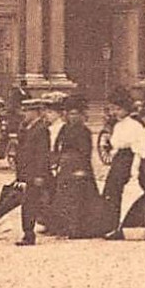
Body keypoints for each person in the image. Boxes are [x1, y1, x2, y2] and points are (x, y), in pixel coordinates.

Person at [102, 101, 145, 240]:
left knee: (135, 193)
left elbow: (138, 148)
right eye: (114, 109)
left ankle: (143, 222)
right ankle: (113, 226)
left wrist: (135, 169)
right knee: (112, 192)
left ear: (126, 109)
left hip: (132, 160)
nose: (116, 112)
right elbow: (117, 145)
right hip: (120, 160)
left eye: (119, 109)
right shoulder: (118, 126)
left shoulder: (135, 126)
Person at [50, 99, 105, 238]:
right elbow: (57, 145)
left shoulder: (85, 131)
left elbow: (86, 151)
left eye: (76, 114)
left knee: (79, 199)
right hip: (65, 165)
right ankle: (63, 228)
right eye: (70, 114)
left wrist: (83, 169)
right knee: (63, 197)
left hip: (79, 165)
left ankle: (79, 229)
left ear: (82, 115)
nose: (73, 117)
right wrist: (56, 160)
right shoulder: (64, 129)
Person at [14, 98, 52, 246]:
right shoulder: (27, 128)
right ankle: (31, 231)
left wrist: (39, 175)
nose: (24, 114)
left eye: (27, 111)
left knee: (30, 203)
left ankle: (29, 234)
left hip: (35, 173)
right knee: (32, 202)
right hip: (27, 172)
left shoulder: (41, 129)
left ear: (35, 112)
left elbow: (42, 154)